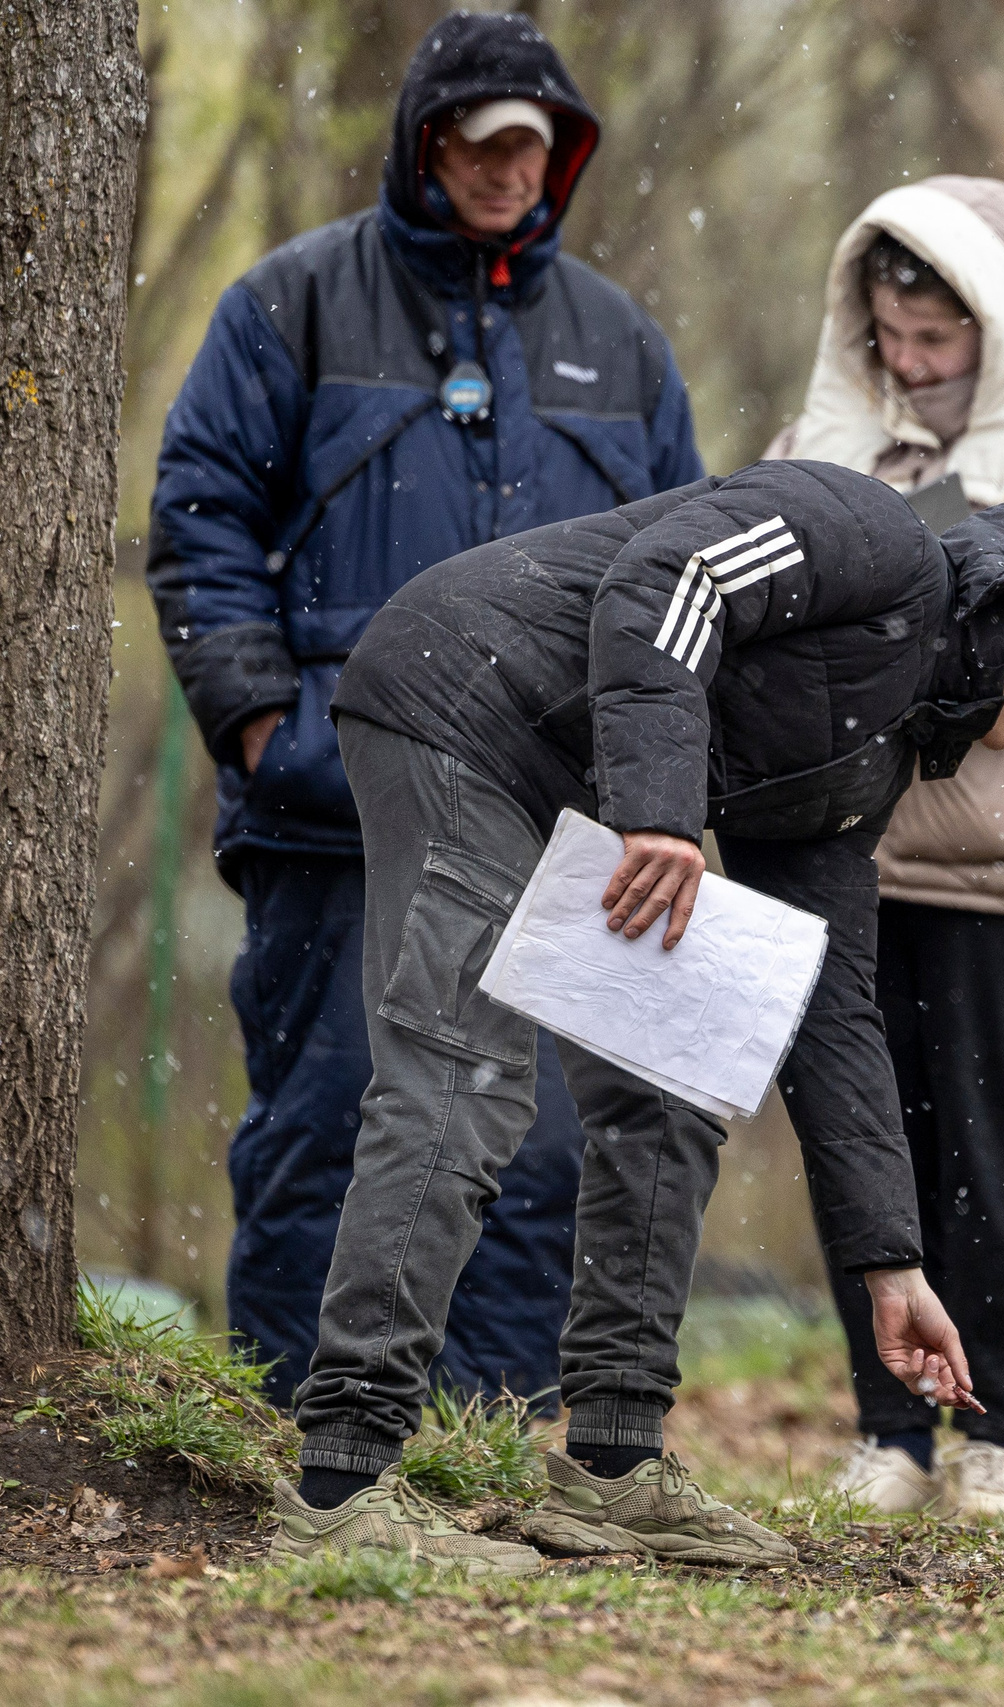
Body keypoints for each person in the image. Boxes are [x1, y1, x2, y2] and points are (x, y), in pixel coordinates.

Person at [267, 459, 1004, 1573]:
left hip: (591, 779)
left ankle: (610, 1467)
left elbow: (832, 1012)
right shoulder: (871, 536)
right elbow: (671, 578)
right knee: (463, 1084)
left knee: (674, 1088)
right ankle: (339, 1483)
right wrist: (660, 813)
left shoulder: (868, 766)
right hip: (462, 700)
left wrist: (891, 1266)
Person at [146, 10, 701, 1410]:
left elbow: (686, 572)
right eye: (484, 141)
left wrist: (659, 784)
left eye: (535, 144)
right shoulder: (295, 302)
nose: (511, 169)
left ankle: (488, 1438)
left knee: (537, 1146)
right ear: (425, 144)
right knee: (332, 1124)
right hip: (338, 808)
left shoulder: (621, 346)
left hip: (552, 824)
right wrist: (268, 727)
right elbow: (202, 513)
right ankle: (300, 1433)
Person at [767, 177, 1004, 1522]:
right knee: (866, 1146)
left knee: (993, 1149)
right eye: (893, 341)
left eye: (938, 345)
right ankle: (892, 1430)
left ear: (994, 322)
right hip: (849, 852)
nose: (914, 369)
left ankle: (1001, 1428)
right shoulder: (825, 434)